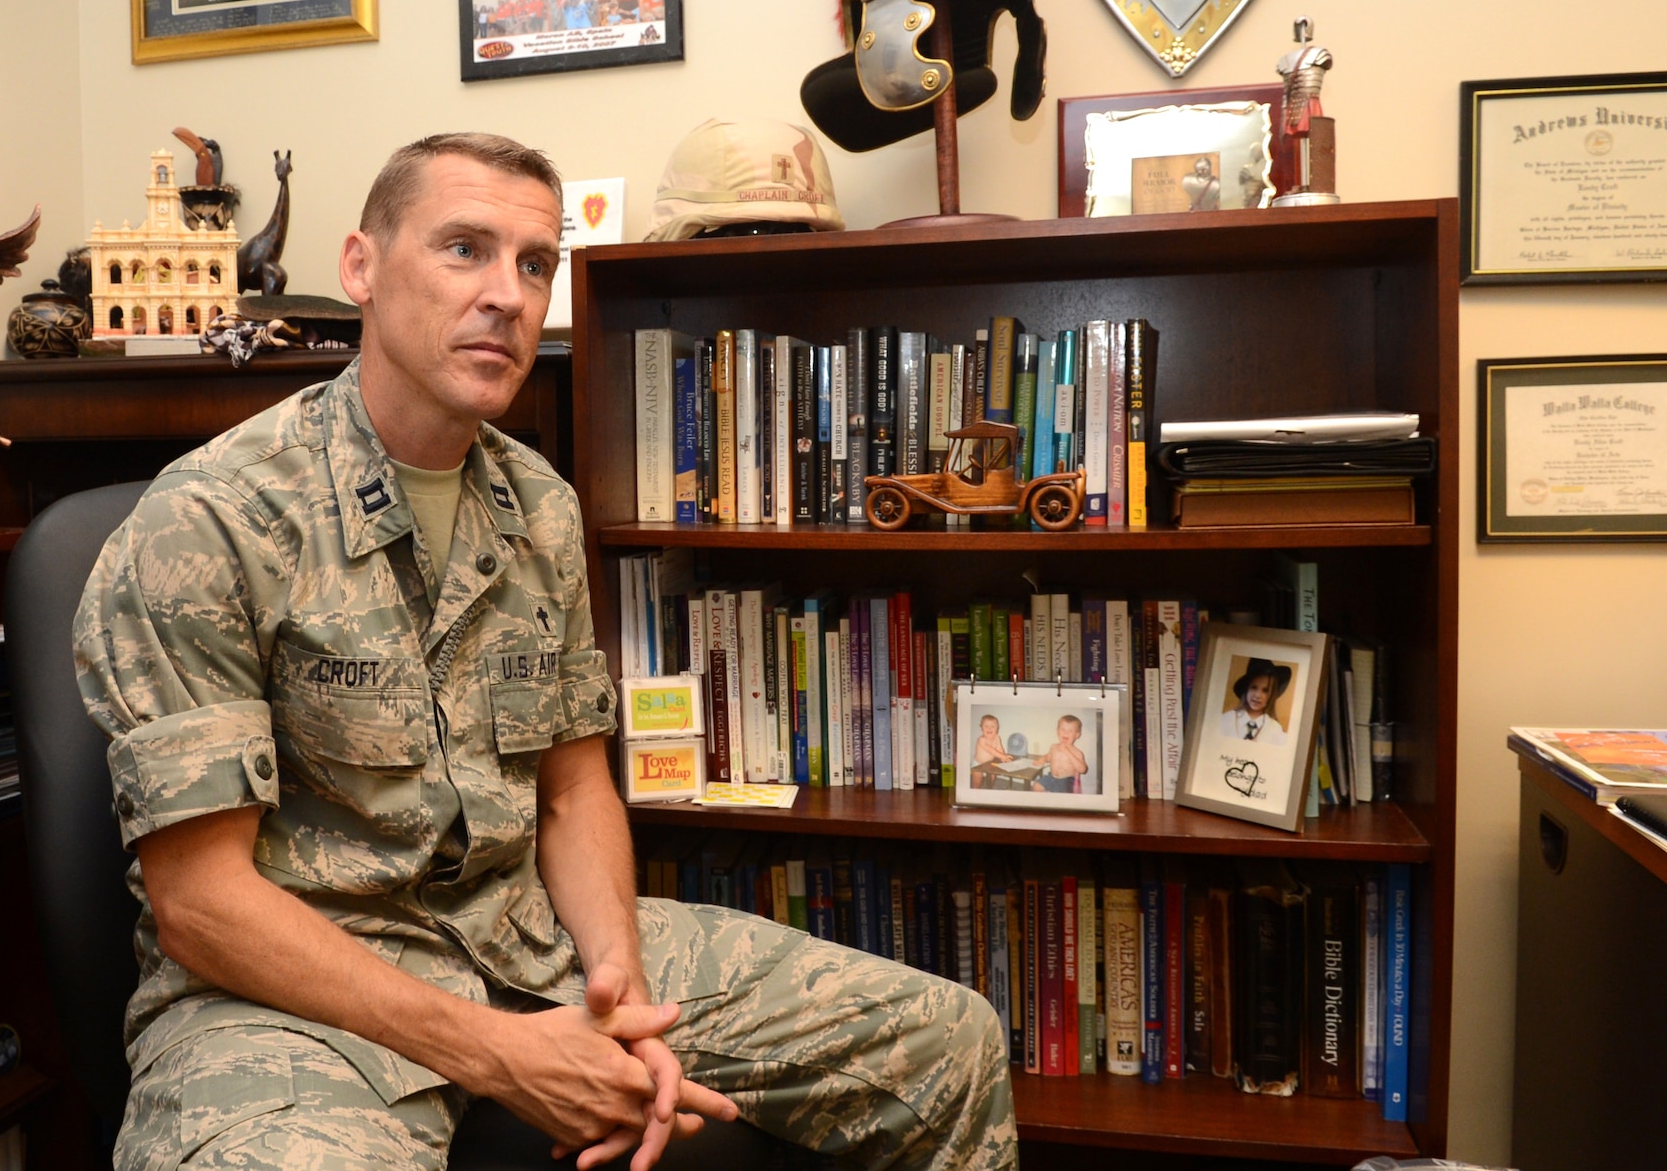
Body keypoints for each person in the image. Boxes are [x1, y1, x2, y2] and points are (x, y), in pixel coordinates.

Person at [76, 133, 1016, 1171]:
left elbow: (572, 790)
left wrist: (619, 983)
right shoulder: (209, 521)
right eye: (463, 249)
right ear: (361, 269)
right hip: (294, 1003)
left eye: (534, 263)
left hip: (526, 938)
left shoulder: (540, 507)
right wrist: (500, 1055)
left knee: (950, 1042)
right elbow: (200, 903)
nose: (507, 295)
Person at [1218, 659, 1291, 741]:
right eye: (1254, 687)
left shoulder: (1276, 731)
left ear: (1272, 695)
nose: (1258, 695)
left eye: (1265, 690)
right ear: (1246, 689)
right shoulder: (1225, 720)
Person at [1027, 715, 1090, 794]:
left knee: (1060, 796)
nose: (1065, 732)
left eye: (1070, 730)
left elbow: (1083, 770)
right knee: (1036, 786)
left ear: (1077, 734)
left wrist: (1067, 752)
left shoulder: (1077, 752)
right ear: (1057, 731)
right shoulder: (1054, 747)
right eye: (1063, 729)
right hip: (1051, 777)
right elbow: (1049, 756)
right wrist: (1043, 758)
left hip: (1066, 781)